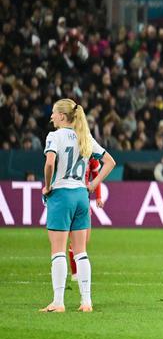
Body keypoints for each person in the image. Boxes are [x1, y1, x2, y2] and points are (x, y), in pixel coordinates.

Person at [39, 99, 116, 312]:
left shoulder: (54, 136)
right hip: (81, 196)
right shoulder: (85, 136)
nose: (52, 117)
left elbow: (50, 163)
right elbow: (110, 161)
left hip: (61, 194)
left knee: (58, 251)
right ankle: (86, 302)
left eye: (54, 113)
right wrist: (93, 184)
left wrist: (47, 186)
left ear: (63, 116)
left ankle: (58, 302)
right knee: (81, 251)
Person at [68, 156, 105, 282]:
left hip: (84, 200)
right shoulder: (69, 153)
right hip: (68, 198)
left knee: (84, 241)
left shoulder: (91, 156)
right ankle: (75, 273)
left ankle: (76, 271)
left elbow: (96, 175)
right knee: (74, 241)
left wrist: (99, 196)